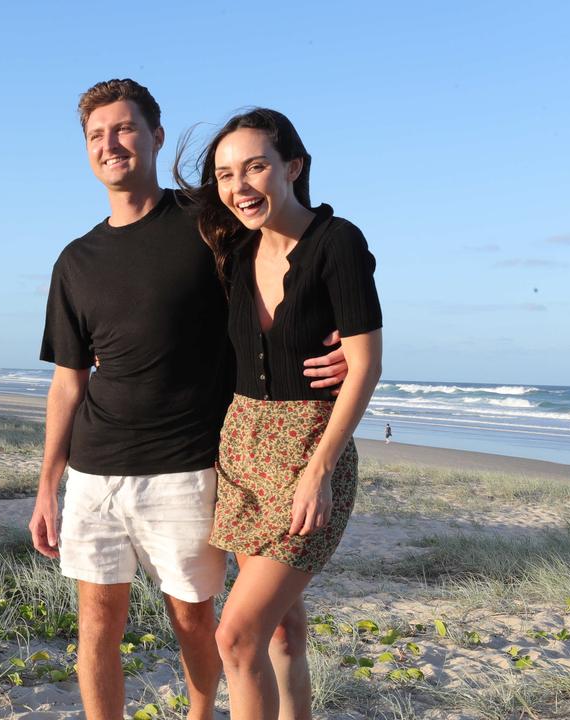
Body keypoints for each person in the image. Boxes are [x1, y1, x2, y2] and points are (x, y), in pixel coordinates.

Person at [29, 80, 348, 720]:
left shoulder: (210, 221)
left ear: (155, 136)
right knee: (96, 625)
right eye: (97, 135)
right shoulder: (76, 260)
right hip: (96, 471)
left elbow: (292, 243)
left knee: (196, 622)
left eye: (124, 129)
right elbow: (69, 380)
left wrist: (333, 331)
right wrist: (47, 484)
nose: (110, 144)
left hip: (190, 462)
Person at [177, 108, 383, 719]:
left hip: (307, 458)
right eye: (225, 173)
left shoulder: (337, 242)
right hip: (242, 455)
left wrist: (319, 470)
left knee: (235, 636)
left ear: (292, 167)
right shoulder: (234, 253)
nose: (239, 186)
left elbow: (365, 364)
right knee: (280, 632)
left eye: (256, 167)